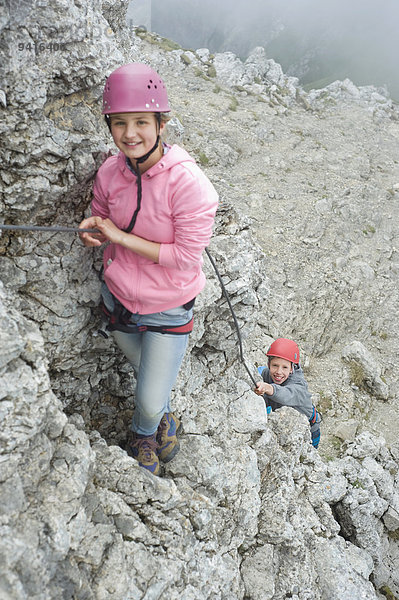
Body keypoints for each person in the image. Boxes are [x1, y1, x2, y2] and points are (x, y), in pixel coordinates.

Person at [79, 63, 218, 476]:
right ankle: (164, 416)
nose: (130, 134)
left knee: (146, 398)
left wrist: (119, 237)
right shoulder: (109, 173)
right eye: (119, 123)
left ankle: (143, 434)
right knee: (149, 383)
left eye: (141, 121)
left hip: (168, 306)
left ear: (161, 123)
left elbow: (185, 257)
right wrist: (95, 231)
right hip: (119, 298)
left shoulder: (189, 184)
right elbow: (102, 215)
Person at [255, 338, 321, 448]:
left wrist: (269, 388)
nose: (279, 372)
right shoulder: (267, 374)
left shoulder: (299, 386)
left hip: (309, 429)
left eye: (284, 367)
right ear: (269, 364)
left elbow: (287, 394)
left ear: (292, 368)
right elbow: (259, 371)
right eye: (275, 365)